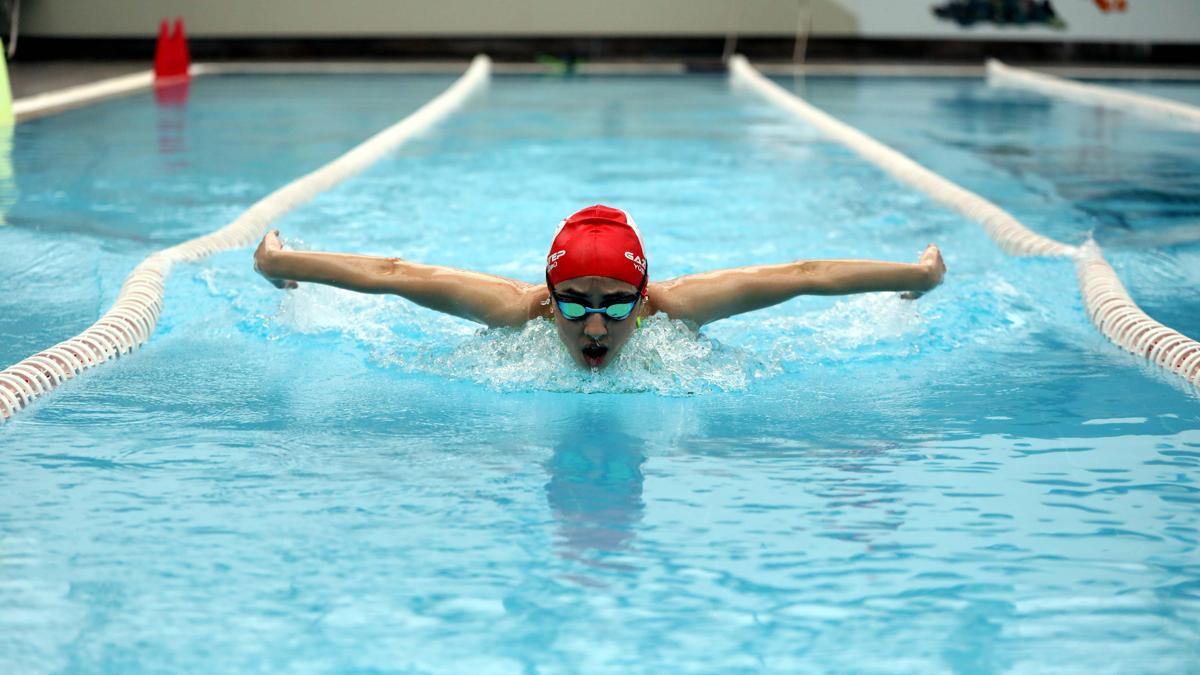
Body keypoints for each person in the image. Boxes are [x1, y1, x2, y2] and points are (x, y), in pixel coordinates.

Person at [253, 204, 946, 369]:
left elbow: (802, 278)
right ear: (546, 295)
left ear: (643, 298)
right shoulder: (514, 311)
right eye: (573, 304)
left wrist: (918, 277)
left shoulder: (678, 309)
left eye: (616, 305)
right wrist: (281, 265)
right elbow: (393, 277)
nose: (593, 328)